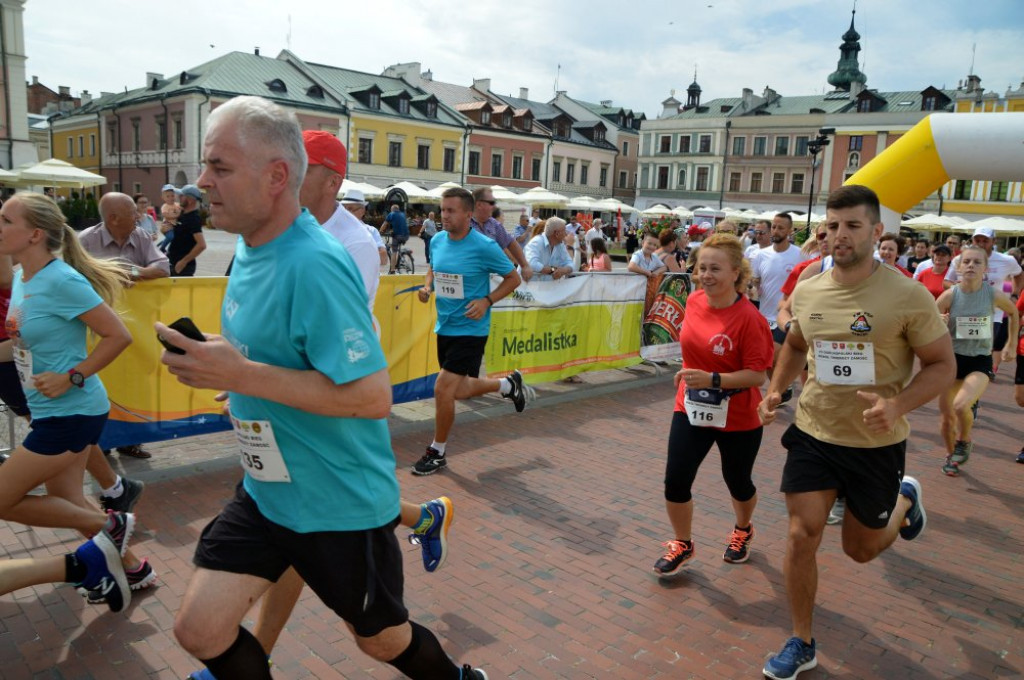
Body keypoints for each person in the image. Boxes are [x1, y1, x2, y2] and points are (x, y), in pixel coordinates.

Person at [158, 96, 489, 680]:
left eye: (219, 167)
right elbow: (276, 353)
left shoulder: (315, 262)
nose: (200, 183)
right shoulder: (250, 245)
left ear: (277, 176)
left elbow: (370, 397)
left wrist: (241, 374)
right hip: (267, 491)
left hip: (337, 505)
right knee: (199, 629)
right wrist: (230, 367)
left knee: (383, 643)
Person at [758, 185, 954, 680]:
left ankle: (905, 498)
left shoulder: (907, 295)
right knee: (802, 534)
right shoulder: (808, 286)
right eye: (831, 225)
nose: (838, 235)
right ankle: (801, 641)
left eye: (851, 226)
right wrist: (777, 390)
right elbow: (798, 344)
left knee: (860, 551)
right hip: (814, 431)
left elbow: (941, 365)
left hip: (875, 443)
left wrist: (898, 405)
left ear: (877, 231)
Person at [0, 192, 146, 607]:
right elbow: (26, 344)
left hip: (71, 411)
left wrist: (71, 376)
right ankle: (135, 569)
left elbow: (119, 336)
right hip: (52, 409)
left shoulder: (62, 279)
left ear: (34, 234)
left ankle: (112, 524)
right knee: (67, 500)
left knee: (2, 500)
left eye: (6, 220)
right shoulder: (26, 278)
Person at [653, 234, 773, 576]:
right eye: (702, 267)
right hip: (691, 406)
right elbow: (696, 348)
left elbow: (756, 376)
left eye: (715, 268)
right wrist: (688, 372)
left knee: (737, 481)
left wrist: (714, 380)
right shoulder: (693, 301)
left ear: (736, 272)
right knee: (675, 479)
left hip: (737, 414)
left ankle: (743, 528)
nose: (706, 274)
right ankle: (683, 544)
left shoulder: (750, 318)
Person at [413, 187, 531, 477]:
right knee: (460, 389)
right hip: (446, 326)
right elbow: (432, 267)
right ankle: (507, 385)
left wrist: (487, 300)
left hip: (472, 328)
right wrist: (427, 287)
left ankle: (437, 451)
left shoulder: (484, 246)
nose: (445, 216)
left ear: (468, 213)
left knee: (442, 388)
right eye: (442, 210)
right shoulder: (438, 240)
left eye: (451, 211)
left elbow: (512, 278)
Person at [80, 191, 172, 461]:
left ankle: (131, 441)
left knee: (137, 382)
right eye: (133, 213)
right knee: (103, 383)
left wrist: (132, 272)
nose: (139, 216)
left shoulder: (141, 236)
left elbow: (162, 267)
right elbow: (73, 277)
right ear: (113, 218)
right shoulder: (86, 241)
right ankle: (103, 441)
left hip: (137, 327)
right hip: (99, 331)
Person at [936, 245, 1019, 476]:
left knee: (961, 405)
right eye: (967, 262)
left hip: (979, 362)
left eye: (977, 262)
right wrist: (939, 320)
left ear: (985, 269)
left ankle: (965, 441)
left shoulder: (992, 294)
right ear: (959, 267)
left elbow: (1013, 313)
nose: (971, 265)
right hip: (952, 361)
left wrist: (1010, 344)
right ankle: (952, 455)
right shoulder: (951, 294)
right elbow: (929, 319)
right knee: (945, 420)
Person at [945, 225, 1023, 376]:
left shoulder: (1006, 260)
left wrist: (1015, 294)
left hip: (992, 314)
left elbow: (1020, 275)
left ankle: (976, 377)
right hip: (962, 311)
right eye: (977, 240)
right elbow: (946, 281)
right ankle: (973, 377)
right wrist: (961, 288)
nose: (980, 243)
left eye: (985, 240)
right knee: (965, 348)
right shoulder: (960, 259)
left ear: (993, 241)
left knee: (976, 349)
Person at [470, 187, 533, 282]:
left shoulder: (494, 224)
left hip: (491, 279)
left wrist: (524, 265)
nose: (494, 206)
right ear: (479, 204)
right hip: (471, 278)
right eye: (491, 203)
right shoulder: (465, 223)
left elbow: (511, 243)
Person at [341, 188, 388, 267]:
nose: (346, 213)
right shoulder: (335, 229)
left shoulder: (371, 231)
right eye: (343, 209)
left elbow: (383, 258)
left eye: (350, 209)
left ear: (362, 211)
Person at [167, 185, 207, 276]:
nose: (179, 198)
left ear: (190, 199)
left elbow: (201, 245)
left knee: (179, 290)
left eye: (181, 196)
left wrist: (183, 262)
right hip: (172, 261)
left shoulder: (193, 218)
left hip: (182, 267)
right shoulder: (183, 214)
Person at [523, 217, 574, 282]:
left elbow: (570, 263)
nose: (566, 234)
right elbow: (532, 264)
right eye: (564, 230)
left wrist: (564, 270)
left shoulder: (560, 245)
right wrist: (553, 270)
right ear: (557, 233)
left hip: (545, 289)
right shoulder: (536, 242)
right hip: (528, 289)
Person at [380, 203, 410, 274]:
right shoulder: (402, 214)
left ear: (392, 209)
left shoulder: (392, 214)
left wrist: (380, 231)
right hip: (406, 236)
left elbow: (385, 224)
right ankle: (399, 260)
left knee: (394, 252)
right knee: (396, 247)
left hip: (397, 236)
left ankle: (392, 270)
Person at [158, 184, 181, 253]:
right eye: (168, 196)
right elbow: (166, 216)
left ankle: (161, 244)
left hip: (175, 225)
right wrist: (177, 215)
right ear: (163, 198)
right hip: (168, 224)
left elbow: (182, 211)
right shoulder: (165, 206)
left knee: (174, 238)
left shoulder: (177, 205)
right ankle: (162, 247)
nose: (171, 198)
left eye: (172, 196)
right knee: (170, 237)